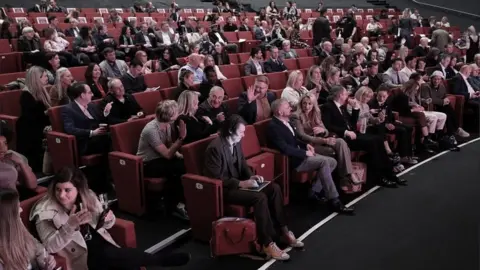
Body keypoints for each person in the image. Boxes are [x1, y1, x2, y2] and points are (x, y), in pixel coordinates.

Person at [30, 167, 190, 270]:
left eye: (67, 190)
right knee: (112, 257)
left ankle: (156, 260)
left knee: (125, 263)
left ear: (78, 189)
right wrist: (70, 226)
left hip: (99, 242)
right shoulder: (44, 212)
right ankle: (159, 260)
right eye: (58, 190)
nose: (61, 195)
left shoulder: (87, 196)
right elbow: (49, 246)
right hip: (80, 255)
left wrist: (108, 219)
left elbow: (105, 224)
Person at [204, 115, 304, 261]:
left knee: (274, 188)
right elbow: (217, 178)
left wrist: (251, 176)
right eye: (241, 132)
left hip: (240, 183)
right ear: (231, 131)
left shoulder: (236, 141)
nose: (244, 135)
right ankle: (267, 242)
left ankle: (283, 230)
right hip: (226, 190)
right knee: (260, 198)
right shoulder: (215, 148)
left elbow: (243, 163)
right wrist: (241, 184)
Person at [267, 99, 355, 212]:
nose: (290, 108)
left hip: (301, 154)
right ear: (280, 111)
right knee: (325, 162)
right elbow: (285, 148)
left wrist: (306, 145)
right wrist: (304, 153)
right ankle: (335, 201)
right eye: (287, 107)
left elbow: (294, 140)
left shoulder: (286, 121)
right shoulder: (273, 127)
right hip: (293, 159)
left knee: (333, 162)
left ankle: (313, 191)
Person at [321, 85, 404, 187]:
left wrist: (356, 108)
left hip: (353, 133)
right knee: (373, 142)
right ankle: (379, 177)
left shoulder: (341, 107)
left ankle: (389, 174)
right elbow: (328, 126)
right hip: (343, 138)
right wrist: (345, 132)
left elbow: (352, 123)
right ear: (340, 95)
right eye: (345, 94)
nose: (347, 96)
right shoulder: (328, 106)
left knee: (378, 139)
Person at [137, 100, 189, 220]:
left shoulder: (168, 125)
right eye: (176, 112)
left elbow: (169, 144)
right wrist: (181, 138)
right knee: (177, 168)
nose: (178, 113)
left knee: (185, 164)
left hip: (161, 159)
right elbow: (167, 154)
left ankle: (177, 202)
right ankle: (175, 206)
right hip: (148, 163)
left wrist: (180, 155)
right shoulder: (151, 130)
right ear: (170, 116)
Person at [291, 94, 359, 184]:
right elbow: (302, 136)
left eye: (310, 104)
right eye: (304, 103)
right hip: (308, 145)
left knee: (341, 142)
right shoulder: (296, 116)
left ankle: (347, 174)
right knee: (334, 151)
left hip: (321, 140)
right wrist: (324, 140)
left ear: (314, 104)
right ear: (301, 104)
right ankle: (342, 178)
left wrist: (322, 131)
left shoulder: (316, 113)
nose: (307, 106)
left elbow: (326, 131)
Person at [0, 188, 57, 270]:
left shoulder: (18, 225)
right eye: (18, 207)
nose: (21, 210)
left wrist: (45, 261)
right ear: (8, 218)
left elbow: (38, 248)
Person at [369, 87, 417, 165]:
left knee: (409, 128)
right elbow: (373, 120)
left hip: (389, 122)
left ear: (387, 96)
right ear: (376, 95)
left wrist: (393, 121)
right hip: (380, 125)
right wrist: (386, 124)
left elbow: (390, 116)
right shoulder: (372, 104)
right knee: (402, 130)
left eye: (384, 96)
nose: (381, 98)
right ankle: (403, 156)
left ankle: (409, 154)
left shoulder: (387, 102)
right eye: (379, 96)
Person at [16, 66, 52, 172]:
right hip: (29, 129)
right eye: (44, 76)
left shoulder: (42, 91)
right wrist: (46, 113)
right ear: (37, 78)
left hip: (39, 125)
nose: (47, 78)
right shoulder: (26, 95)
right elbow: (32, 117)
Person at [61, 82, 111, 156]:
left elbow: (101, 120)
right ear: (82, 95)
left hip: (99, 137)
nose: (92, 94)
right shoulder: (68, 109)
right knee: (109, 139)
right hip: (85, 142)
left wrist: (106, 112)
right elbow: (70, 129)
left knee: (113, 134)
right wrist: (91, 132)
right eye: (90, 92)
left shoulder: (91, 105)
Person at [420, 71, 470, 138]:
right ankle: (451, 133)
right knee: (446, 112)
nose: (436, 81)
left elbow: (444, 96)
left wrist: (446, 99)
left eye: (438, 79)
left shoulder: (442, 86)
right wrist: (442, 101)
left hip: (441, 105)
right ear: (431, 79)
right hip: (431, 106)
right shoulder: (425, 86)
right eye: (435, 79)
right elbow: (428, 99)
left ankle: (457, 129)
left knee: (450, 110)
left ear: (441, 80)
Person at [0, 121, 38, 195]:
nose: (3, 148)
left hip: (14, 201)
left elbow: (33, 185)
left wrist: (21, 163)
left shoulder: (12, 157)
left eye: (5, 143)